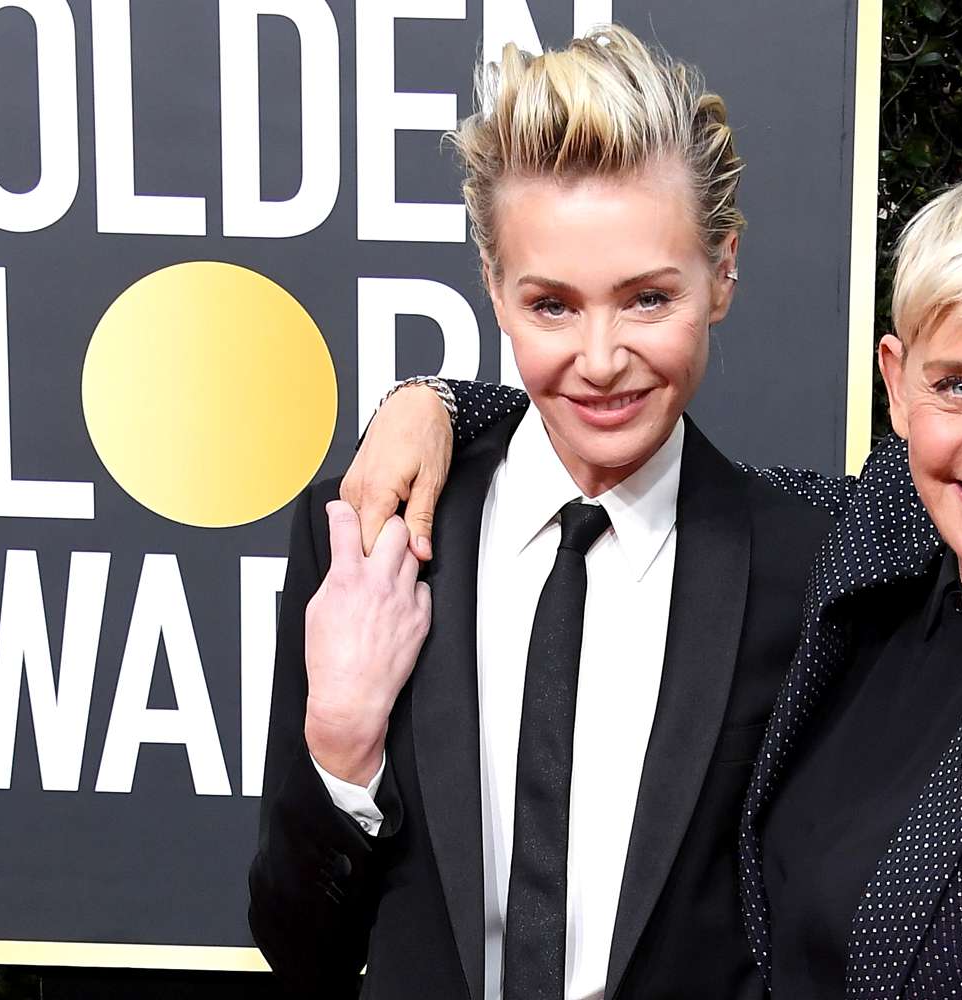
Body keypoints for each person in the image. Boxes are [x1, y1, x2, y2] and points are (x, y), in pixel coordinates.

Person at [346, 171, 962, 998]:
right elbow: (639, 438)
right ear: (899, 388)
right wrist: (433, 401)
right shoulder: (887, 530)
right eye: (958, 386)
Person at [248, 26, 830, 1000]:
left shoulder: (806, 572)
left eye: (647, 299)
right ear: (493, 286)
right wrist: (340, 746)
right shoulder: (365, 538)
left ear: (722, 273)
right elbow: (301, 949)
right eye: (553, 305)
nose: (601, 359)